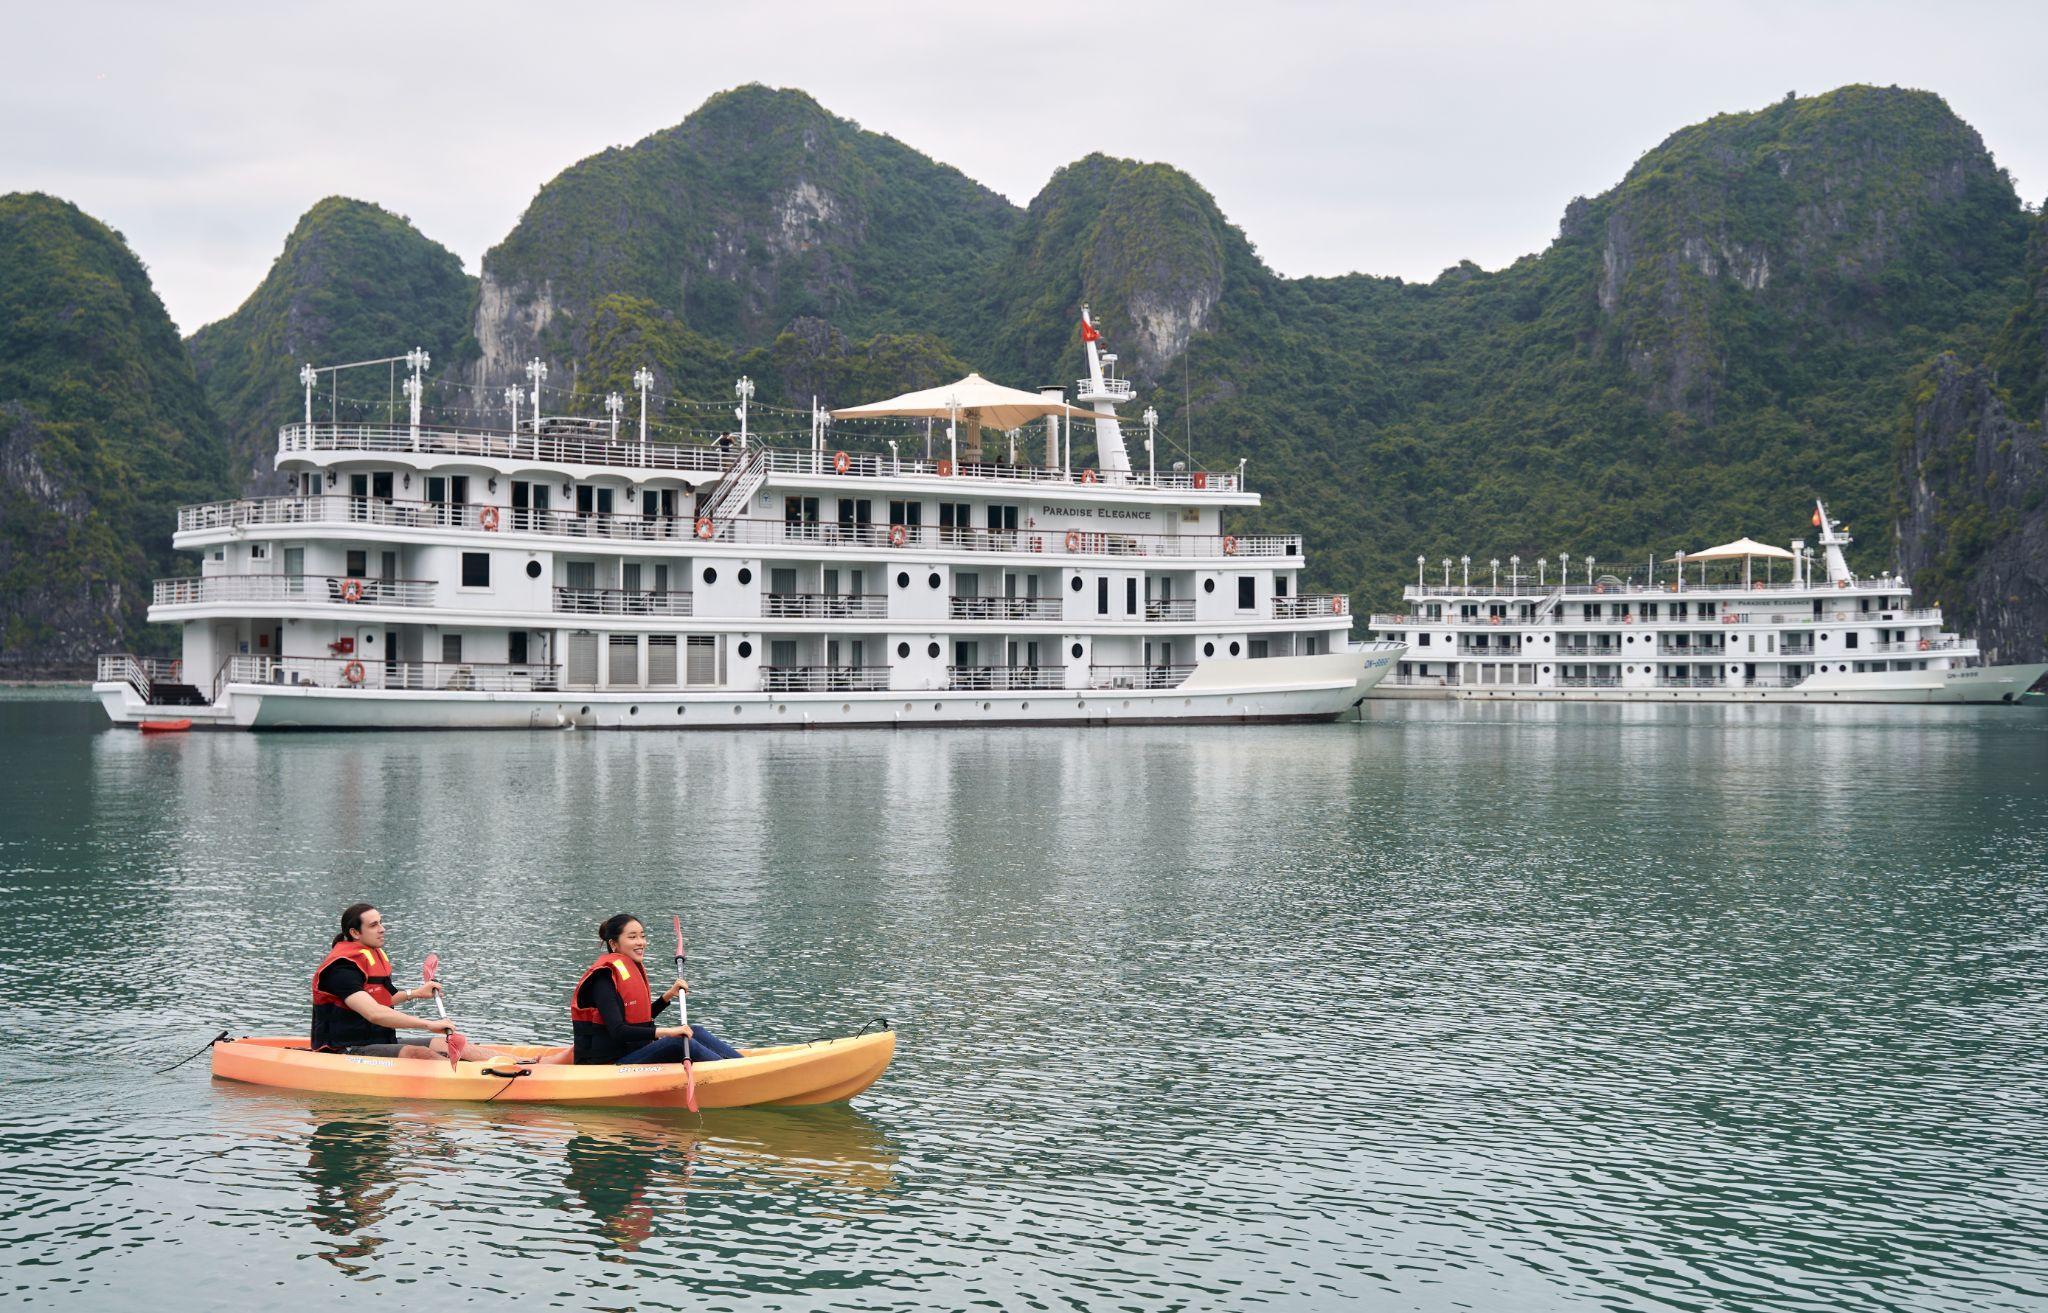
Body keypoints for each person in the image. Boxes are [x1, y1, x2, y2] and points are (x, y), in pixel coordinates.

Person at [311, 903, 518, 1061]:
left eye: (381, 922)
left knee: (449, 1044)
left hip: (382, 1042)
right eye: (374, 925)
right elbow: (374, 1012)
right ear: (355, 933)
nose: (382, 929)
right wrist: (429, 1025)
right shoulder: (340, 969)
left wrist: (417, 992)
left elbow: (386, 998)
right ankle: (481, 1081)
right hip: (344, 1049)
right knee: (419, 1054)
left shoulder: (371, 956)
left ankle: (529, 1065)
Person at [569, 914, 745, 1066]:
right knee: (678, 1043)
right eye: (632, 937)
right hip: (608, 1065)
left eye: (642, 936)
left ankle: (741, 1066)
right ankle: (737, 1074)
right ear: (614, 943)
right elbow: (619, 1031)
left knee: (695, 1030)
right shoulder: (603, 979)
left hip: (632, 1052)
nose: (641, 942)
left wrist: (668, 996)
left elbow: (640, 1020)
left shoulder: (628, 970)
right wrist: (669, 1031)